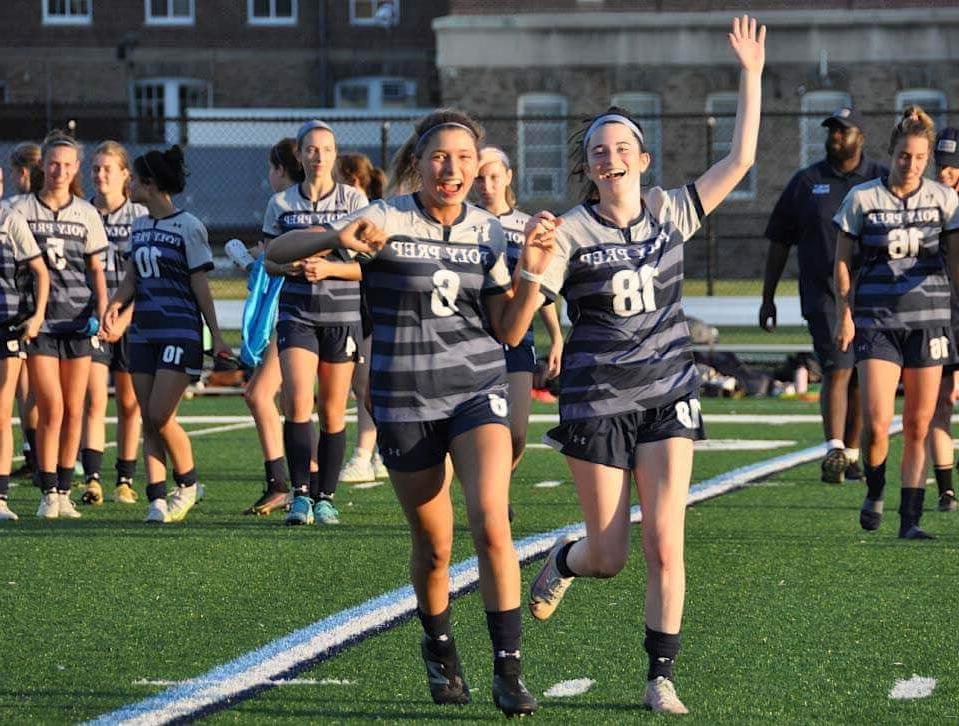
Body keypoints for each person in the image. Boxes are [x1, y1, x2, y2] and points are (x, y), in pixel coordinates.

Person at [267, 108, 555, 716]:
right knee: (435, 546)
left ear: (478, 167)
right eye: (439, 157)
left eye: (464, 158)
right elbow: (275, 256)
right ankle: (440, 647)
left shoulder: (492, 232)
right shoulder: (385, 217)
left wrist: (532, 270)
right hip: (405, 399)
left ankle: (509, 669)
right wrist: (333, 238)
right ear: (418, 164)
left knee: (490, 522)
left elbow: (508, 330)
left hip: (477, 390)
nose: (452, 169)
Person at [526, 16, 764, 715]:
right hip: (598, 401)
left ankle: (659, 674)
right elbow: (533, 297)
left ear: (642, 156)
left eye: (620, 146)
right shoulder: (569, 230)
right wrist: (530, 259)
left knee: (665, 542)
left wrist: (749, 75)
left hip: (667, 395)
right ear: (589, 165)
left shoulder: (670, 212)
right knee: (609, 556)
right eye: (598, 150)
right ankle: (566, 557)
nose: (610, 157)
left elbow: (741, 161)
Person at [834, 107, 959, 539]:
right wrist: (845, 312)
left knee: (920, 423)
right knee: (876, 419)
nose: (911, 164)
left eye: (920, 158)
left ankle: (910, 519)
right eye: (905, 155)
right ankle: (875, 489)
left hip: (929, 322)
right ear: (892, 153)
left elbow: (956, 259)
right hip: (878, 320)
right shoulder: (863, 198)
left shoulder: (944, 200)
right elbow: (843, 261)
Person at [100, 145, 230, 524]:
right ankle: (156, 498)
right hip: (143, 333)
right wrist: (115, 304)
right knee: (147, 417)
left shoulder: (188, 226)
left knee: (160, 413)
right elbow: (132, 279)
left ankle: (187, 483)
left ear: (150, 184)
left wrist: (216, 335)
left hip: (180, 331)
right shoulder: (139, 226)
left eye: (135, 180)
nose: (130, 186)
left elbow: (200, 285)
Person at [761, 107, 887, 484]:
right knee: (838, 366)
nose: (834, 137)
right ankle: (834, 447)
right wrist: (767, 297)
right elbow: (780, 242)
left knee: (863, 373)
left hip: (872, 292)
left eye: (842, 131)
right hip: (823, 294)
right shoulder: (806, 182)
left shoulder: (880, 178)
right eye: (831, 131)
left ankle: (849, 456)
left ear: (859, 137)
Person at [264, 120, 367, 526]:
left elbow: (368, 267)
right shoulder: (282, 203)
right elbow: (269, 261)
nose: (318, 156)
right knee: (297, 404)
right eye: (310, 149)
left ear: (335, 154)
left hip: (342, 317)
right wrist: (292, 267)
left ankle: (326, 497)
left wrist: (328, 270)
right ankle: (300, 495)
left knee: (333, 410)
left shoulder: (355, 200)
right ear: (300, 155)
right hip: (297, 314)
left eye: (326, 149)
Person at [11, 131, 108, 519]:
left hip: (79, 321)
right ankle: (47, 489)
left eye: (68, 165)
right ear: (42, 166)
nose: (60, 171)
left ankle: (65, 490)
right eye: (53, 164)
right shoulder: (21, 209)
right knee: (50, 407)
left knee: (74, 408)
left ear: (76, 168)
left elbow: (97, 268)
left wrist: (104, 311)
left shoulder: (86, 212)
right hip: (40, 323)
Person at [473, 145, 563, 474]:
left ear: (508, 177)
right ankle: (488, 496)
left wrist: (556, 337)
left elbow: (540, 288)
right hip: (475, 337)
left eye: (494, 177)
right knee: (475, 429)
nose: (487, 185)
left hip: (517, 338)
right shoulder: (467, 222)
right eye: (480, 178)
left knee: (517, 432)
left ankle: (498, 487)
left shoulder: (527, 224)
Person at [235, 137, 304, 516]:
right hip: (300, 313)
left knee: (261, 394)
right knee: (286, 399)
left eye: (271, 168)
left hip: (295, 313)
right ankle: (298, 482)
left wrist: (252, 258)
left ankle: (291, 484)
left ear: (280, 170)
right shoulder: (296, 204)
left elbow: (277, 257)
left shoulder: (284, 205)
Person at [79, 141, 147, 506]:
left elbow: (146, 277)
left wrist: (124, 316)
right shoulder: (81, 212)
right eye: (95, 168)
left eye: (108, 168)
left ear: (125, 175)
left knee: (129, 403)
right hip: (91, 321)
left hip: (130, 321)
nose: (100, 175)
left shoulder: (140, 215)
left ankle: (124, 479)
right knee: (93, 399)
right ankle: (91, 479)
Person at [335, 151, 389, 484]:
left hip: (368, 307)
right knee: (359, 385)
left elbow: (363, 266)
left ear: (354, 181)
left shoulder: (372, 220)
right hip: (344, 308)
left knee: (366, 384)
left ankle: (366, 454)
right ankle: (377, 450)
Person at [0, 174, 49, 520]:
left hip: (7, 325)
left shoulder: (10, 220)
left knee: (2, 414)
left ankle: (0, 499)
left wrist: (37, 316)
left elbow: (40, 272)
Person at [927, 126, 959, 513]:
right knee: (941, 402)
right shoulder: (929, 203)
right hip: (937, 312)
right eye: (943, 165)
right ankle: (946, 489)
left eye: (953, 166)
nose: (946, 173)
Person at [7, 142, 43, 479]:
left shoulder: (13, 208)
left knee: (24, 388)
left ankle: (36, 455)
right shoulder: (55, 206)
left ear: (20, 172)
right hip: (57, 306)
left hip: (20, 307)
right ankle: (56, 457)